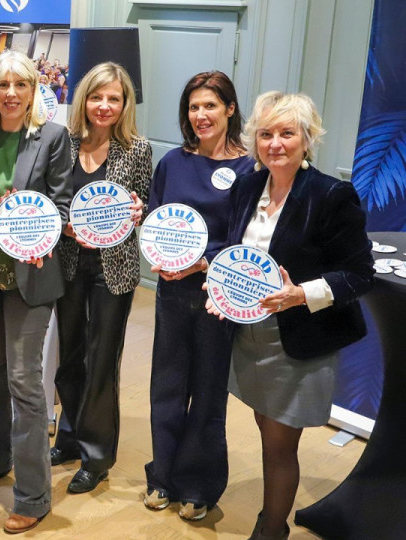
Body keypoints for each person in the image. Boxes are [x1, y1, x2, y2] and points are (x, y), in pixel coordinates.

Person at [207, 91, 374, 540]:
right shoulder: (248, 185)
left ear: (307, 139)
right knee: (266, 427)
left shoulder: (332, 194)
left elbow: (359, 274)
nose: (275, 143)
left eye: (287, 133)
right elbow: (233, 250)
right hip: (249, 334)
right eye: (265, 134)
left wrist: (301, 294)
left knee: (281, 444)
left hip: (300, 338)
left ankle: (271, 529)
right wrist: (218, 283)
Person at [0, 50, 73, 534]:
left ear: (33, 90)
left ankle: (32, 495)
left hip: (31, 272)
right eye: (2, 84)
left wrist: (43, 233)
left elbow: (63, 205)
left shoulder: (54, 136)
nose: (10, 93)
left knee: (25, 383)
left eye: (20, 85)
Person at [142, 71, 255, 521]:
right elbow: (155, 217)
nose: (201, 115)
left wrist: (203, 262)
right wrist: (159, 252)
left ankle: (199, 485)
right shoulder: (172, 161)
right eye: (194, 107)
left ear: (230, 109)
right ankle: (162, 478)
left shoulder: (250, 168)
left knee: (208, 392)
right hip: (172, 290)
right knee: (166, 387)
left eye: (210, 105)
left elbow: (248, 236)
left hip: (218, 295)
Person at [51, 62, 149, 494]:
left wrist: (138, 211)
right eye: (97, 97)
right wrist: (62, 224)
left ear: (125, 103)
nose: (104, 106)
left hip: (115, 267)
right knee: (70, 355)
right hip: (70, 262)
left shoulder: (138, 149)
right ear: (83, 100)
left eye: (114, 98)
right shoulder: (63, 144)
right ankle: (70, 434)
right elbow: (50, 199)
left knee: (102, 358)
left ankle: (97, 455)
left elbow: (143, 205)